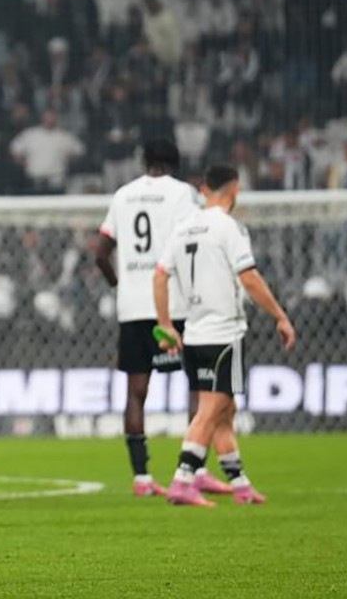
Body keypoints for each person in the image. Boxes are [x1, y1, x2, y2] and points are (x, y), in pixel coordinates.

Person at [95, 141, 234, 497]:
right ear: (175, 162)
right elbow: (192, 243)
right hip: (174, 304)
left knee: (136, 392)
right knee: (198, 386)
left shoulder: (123, 195)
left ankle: (142, 478)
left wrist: (120, 285)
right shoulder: (183, 194)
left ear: (144, 161)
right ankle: (193, 471)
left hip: (132, 306)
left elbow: (100, 253)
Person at [155, 165, 294, 506]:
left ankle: (240, 484)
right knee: (209, 411)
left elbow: (159, 276)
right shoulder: (228, 227)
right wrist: (280, 316)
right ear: (235, 190)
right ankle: (183, 480)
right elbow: (249, 278)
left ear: (204, 190)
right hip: (223, 334)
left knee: (224, 411)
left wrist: (166, 324)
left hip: (194, 333)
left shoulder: (183, 227)